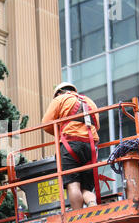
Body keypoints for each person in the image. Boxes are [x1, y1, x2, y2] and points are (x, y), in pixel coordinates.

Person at [41, 82, 100, 210]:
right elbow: (97, 125)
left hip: (70, 145)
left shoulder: (60, 99)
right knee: (86, 188)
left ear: (58, 93)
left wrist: (59, 132)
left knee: (73, 185)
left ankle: (77, 216)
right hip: (91, 147)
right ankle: (92, 204)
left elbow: (46, 124)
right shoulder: (90, 102)